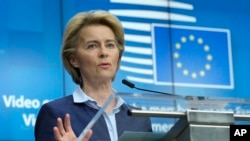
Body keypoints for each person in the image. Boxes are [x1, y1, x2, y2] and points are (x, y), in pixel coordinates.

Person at [34, 10, 152, 141]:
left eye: (110, 45)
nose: (103, 53)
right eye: (92, 46)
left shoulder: (139, 117)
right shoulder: (56, 114)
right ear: (73, 59)